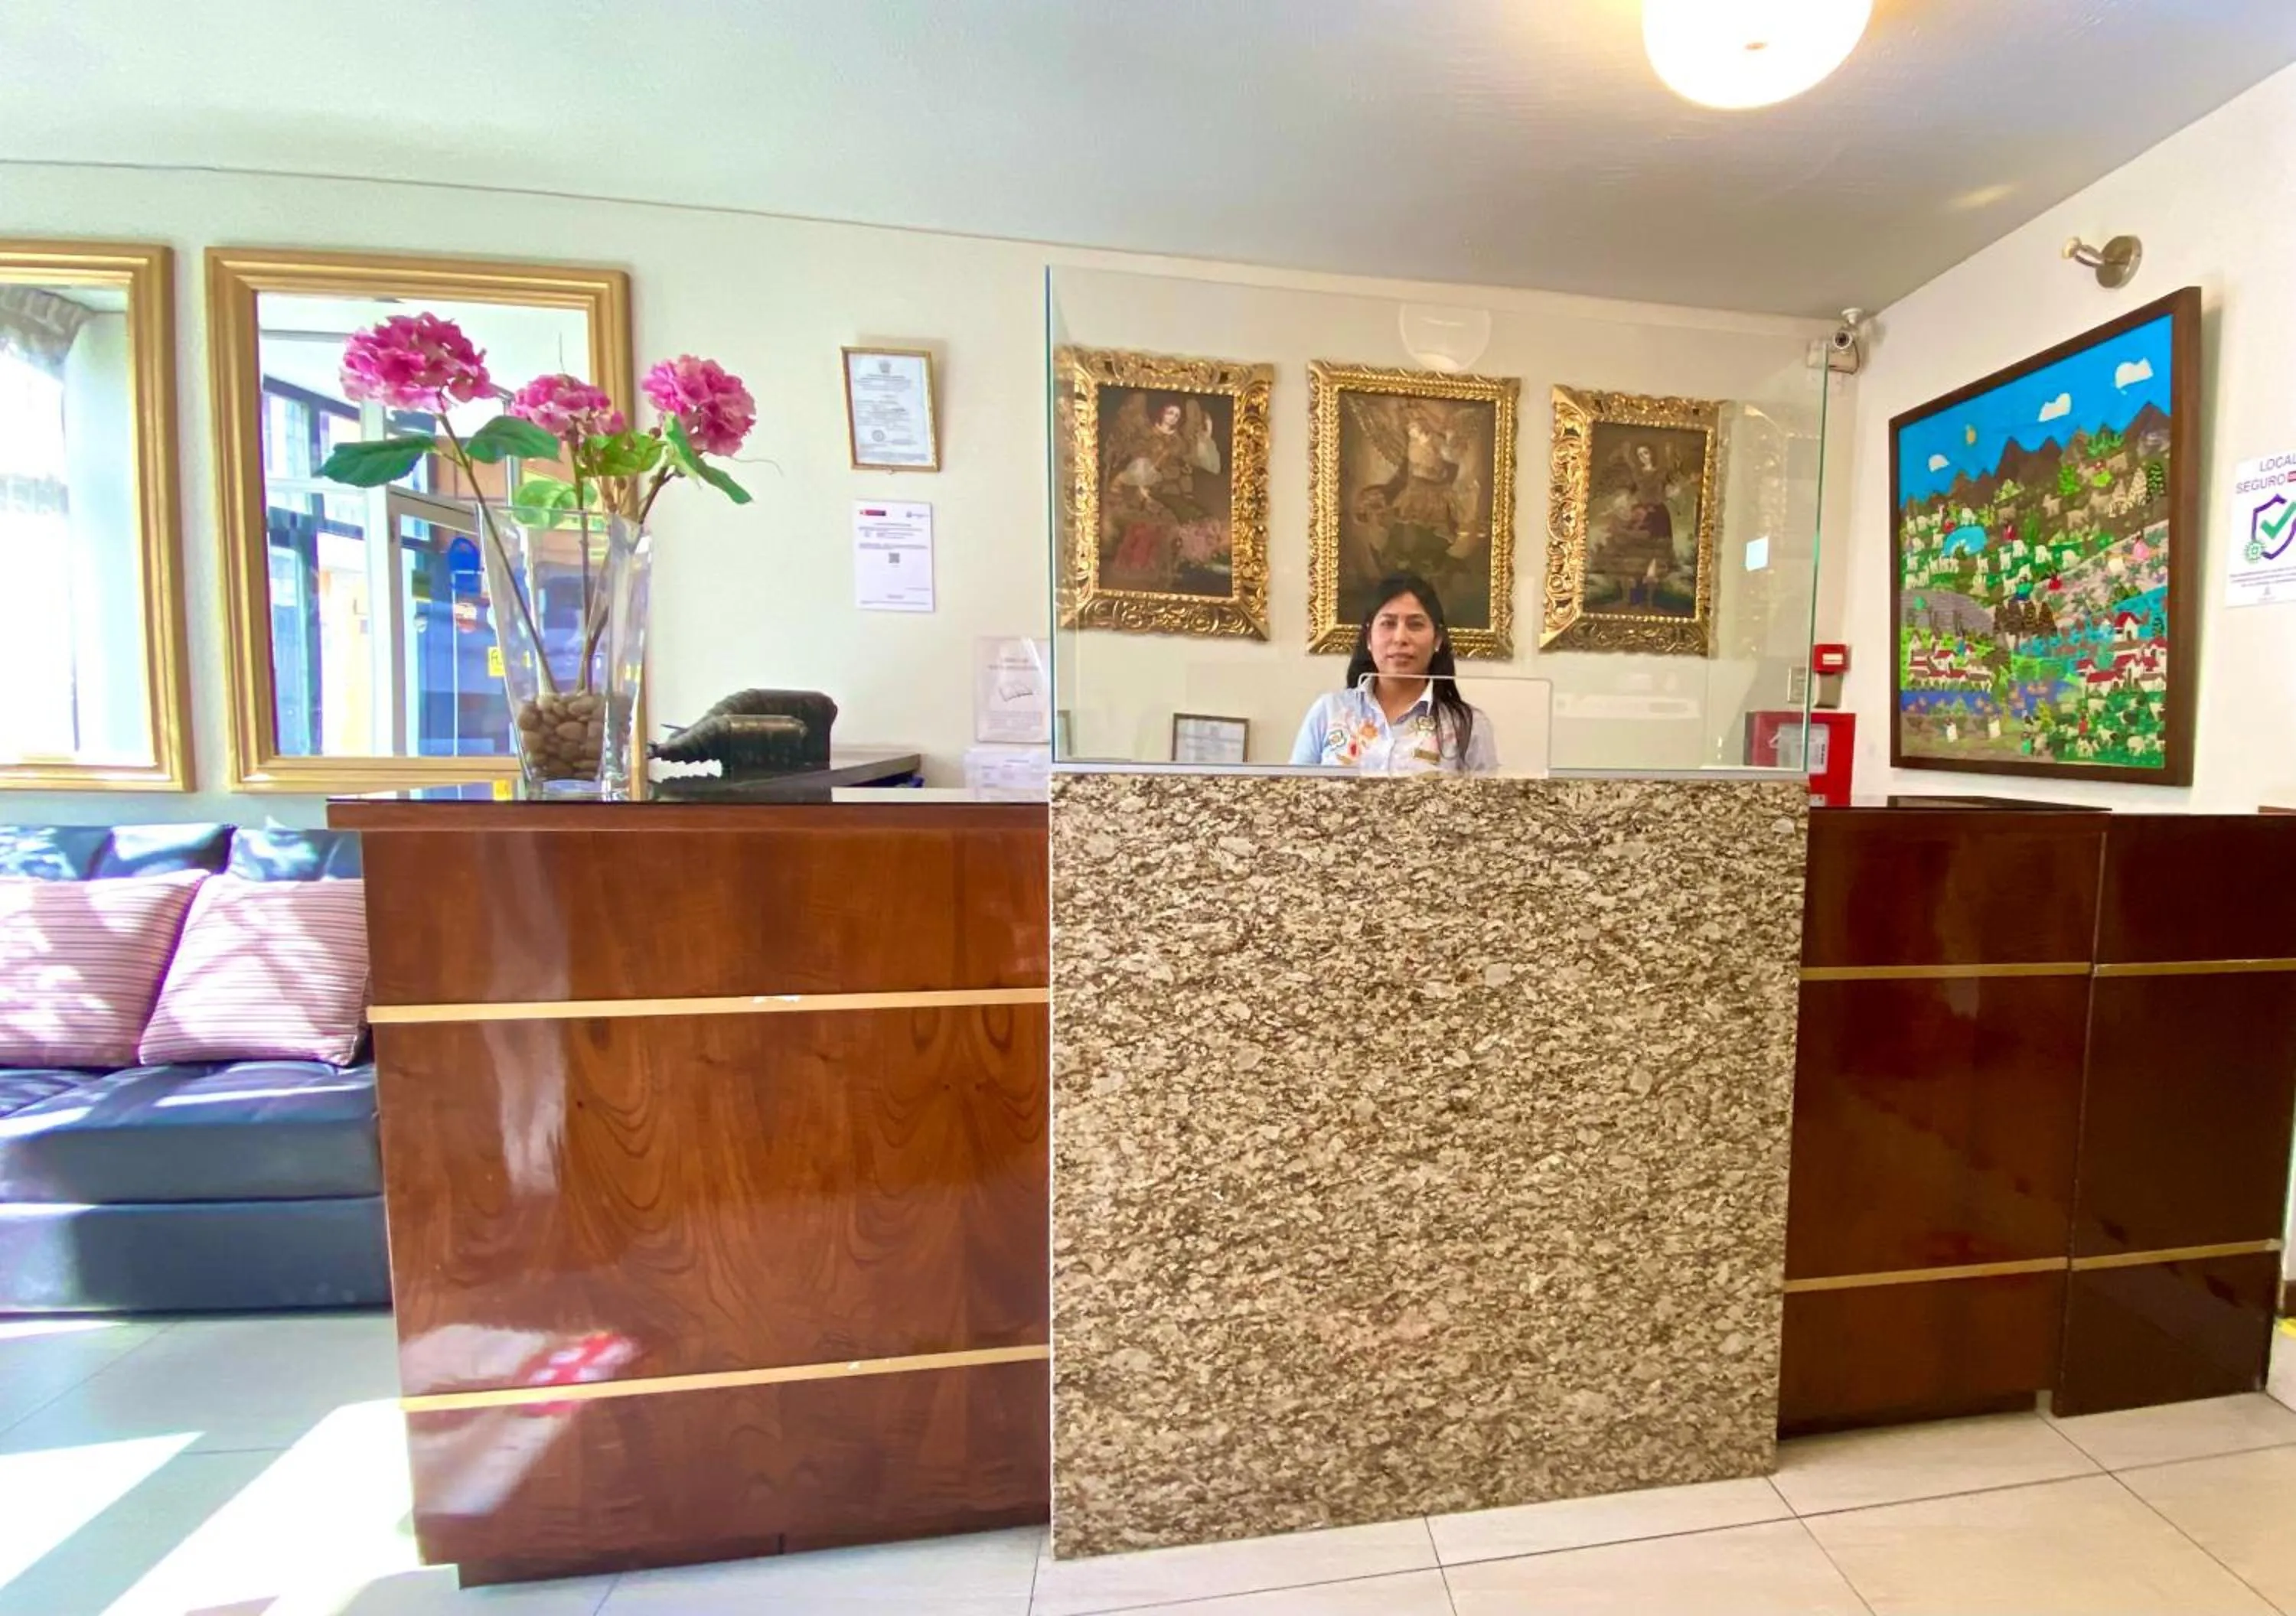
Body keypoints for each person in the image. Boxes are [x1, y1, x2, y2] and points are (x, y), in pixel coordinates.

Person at [1290, 573, 1498, 774]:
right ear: (1369, 639)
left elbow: (1489, 808)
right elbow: (1291, 798)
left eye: (1415, 625)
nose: (1400, 638)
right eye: (1388, 624)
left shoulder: (1468, 725)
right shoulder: (1329, 712)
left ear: (1437, 640)